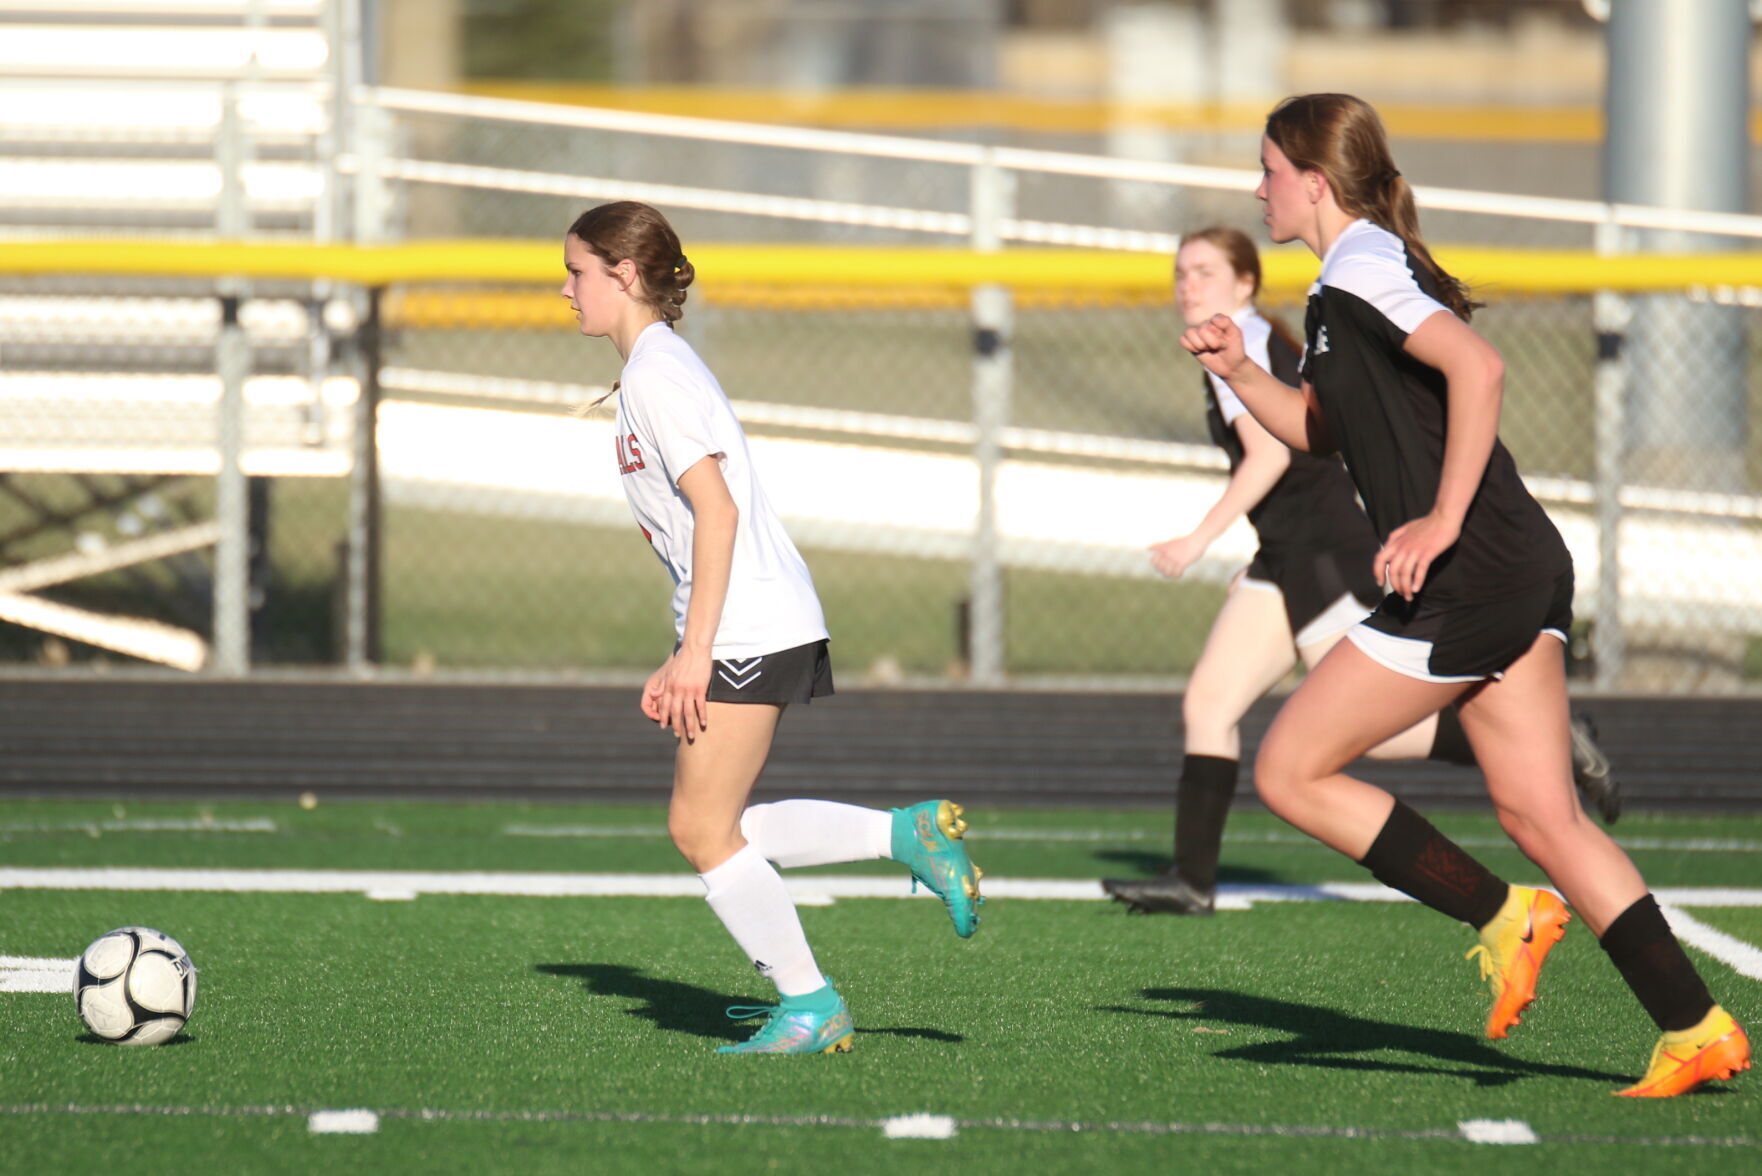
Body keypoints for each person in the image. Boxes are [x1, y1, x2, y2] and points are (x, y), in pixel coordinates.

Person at [1177, 94, 1747, 1097]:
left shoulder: (1358, 269)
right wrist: (1240, 372)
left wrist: (1438, 521)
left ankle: (1502, 913)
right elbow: (1322, 428)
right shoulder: (1340, 284)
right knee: (1544, 816)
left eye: (1266, 168)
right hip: (1513, 563)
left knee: (1291, 769)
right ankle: (1693, 1026)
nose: (1255, 187)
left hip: (1469, 570)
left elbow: (1477, 369)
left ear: (1314, 181)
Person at [562, 200, 982, 1056]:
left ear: (625, 276)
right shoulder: (654, 367)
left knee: (700, 829)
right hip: (754, 621)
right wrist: (681, 645)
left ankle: (813, 1002)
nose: (565, 291)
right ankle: (902, 835)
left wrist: (694, 652)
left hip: (749, 627)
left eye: (577, 273)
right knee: (721, 825)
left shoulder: (655, 374)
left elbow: (715, 515)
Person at [1103, 227, 1618, 917]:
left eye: (1203, 271)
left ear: (1245, 284)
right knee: (1209, 705)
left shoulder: (1245, 342)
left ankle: (1554, 741)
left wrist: (1198, 540)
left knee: (1364, 734)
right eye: (1180, 273)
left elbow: (1272, 456)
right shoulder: (1248, 339)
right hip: (1284, 555)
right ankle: (1192, 879)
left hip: (1321, 552)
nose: (1187, 286)